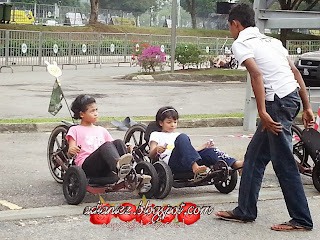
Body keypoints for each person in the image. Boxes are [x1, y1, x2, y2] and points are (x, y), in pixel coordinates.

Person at [215, 3, 314, 231]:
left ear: (236, 24)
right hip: (290, 98)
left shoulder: (241, 43)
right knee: (255, 156)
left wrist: (262, 111)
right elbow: (295, 72)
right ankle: (245, 210)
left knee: (283, 162)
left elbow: (256, 74)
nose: (230, 30)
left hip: (277, 104)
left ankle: (301, 219)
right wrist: (306, 106)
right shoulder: (272, 41)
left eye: (230, 26)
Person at [149, 106, 243, 182]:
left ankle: (236, 164)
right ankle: (196, 168)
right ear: (161, 123)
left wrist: (204, 146)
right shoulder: (156, 134)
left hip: (186, 160)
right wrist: (156, 149)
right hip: (172, 162)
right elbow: (151, 154)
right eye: (169, 122)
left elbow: (189, 152)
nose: (173, 125)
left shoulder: (177, 135)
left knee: (210, 151)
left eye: (175, 122)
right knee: (182, 137)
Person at [66, 94, 145, 183]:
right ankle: (119, 168)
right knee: (106, 145)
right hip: (87, 166)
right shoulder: (75, 129)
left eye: (96, 110)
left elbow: (112, 148)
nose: (96, 114)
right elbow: (70, 150)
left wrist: (126, 149)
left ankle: (128, 170)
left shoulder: (101, 130)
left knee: (118, 142)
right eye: (92, 111)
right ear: (82, 114)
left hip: (104, 165)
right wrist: (72, 150)